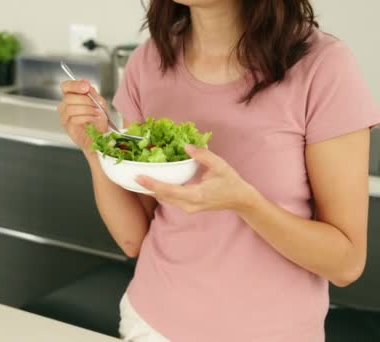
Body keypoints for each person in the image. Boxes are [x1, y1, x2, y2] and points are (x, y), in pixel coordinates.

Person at [58, 0, 380, 341]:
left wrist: (245, 203)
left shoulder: (323, 66)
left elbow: (345, 264)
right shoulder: (149, 61)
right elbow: (133, 239)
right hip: (152, 324)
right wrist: (97, 150)